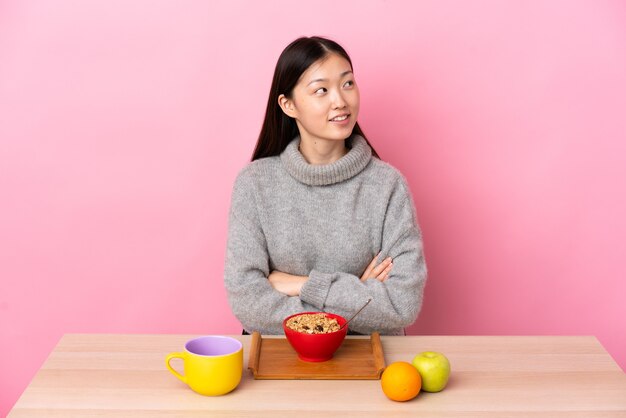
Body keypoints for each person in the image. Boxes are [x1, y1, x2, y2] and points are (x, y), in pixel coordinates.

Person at [224, 36, 427, 336]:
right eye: (321, 90)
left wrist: (302, 285)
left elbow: (402, 304)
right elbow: (249, 303)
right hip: (280, 361)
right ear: (288, 104)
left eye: (347, 84)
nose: (340, 101)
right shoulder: (254, 185)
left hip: (368, 361)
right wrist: (357, 291)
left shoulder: (387, 186)